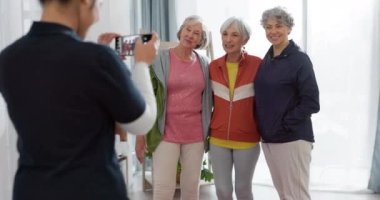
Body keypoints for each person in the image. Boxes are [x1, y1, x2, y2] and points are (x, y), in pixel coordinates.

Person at [0, 0, 159, 200]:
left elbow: (61, 98)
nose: (98, 15)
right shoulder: (98, 59)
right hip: (91, 190)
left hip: (32, 189)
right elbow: (141, 123)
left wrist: (108, 64)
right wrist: (142, 64)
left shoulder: (8, 59)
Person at [135, 15, 212, 200]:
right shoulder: (159, 59)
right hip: (165, 132)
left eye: (197, 33)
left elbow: (209, 98)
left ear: (201, 40)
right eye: (188, 29)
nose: (191, 35)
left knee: (191, 188)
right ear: (181, 30)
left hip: (195, 134)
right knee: (163, 188)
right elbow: (146, 97)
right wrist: (140, 137)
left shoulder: (204, 64)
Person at [254, 6, 320, 200]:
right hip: (269, 139)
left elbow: (312, 102)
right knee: (285, 194)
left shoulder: (300, 60)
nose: (273, 31)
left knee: (297, 195)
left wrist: (285, 124)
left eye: (278, 26)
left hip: (293, 139)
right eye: (268, 27)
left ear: (289, 28)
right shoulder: (266, 61)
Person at [208, 17, 262, 200]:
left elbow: (266, 102)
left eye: (234, 35)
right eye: (225, 34)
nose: (228, 40)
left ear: (245, 40)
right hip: (218, 138)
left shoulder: (258, 65)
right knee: (222, 191)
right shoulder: (213, 67)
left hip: (247, 139)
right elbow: (206, 102)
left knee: (242, 189)